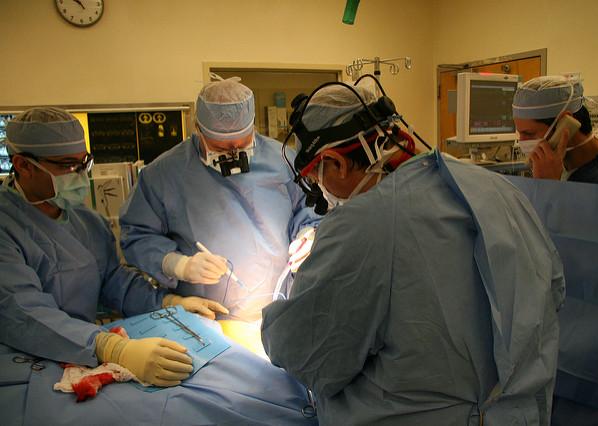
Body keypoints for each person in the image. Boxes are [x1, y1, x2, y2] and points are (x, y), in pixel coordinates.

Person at [261, 81, 566, 425]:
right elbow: (553, 288)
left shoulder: (360, 226)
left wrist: (276, 316)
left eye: (318, 178)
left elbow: (306, 352)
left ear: (336, 162)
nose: (322, 191)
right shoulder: (499, 189)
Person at [0, 107, 228, 387]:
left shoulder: (87, 221)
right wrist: (113, 349)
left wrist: (168, 303)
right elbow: (22, 311)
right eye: (67, 166)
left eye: (84, 163)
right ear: (23, 165)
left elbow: (112, 281)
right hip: (22, 361)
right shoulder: (6, 225)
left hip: (83, 351)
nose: (80, 175)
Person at [119, 75, 320, 323]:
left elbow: (309, 208)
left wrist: (308, 234)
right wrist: (178, 264)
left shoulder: (283, 160)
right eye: (222, 148)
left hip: (280, 307)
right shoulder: (163, 174)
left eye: (242, 144)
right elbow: (137, 234)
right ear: (198, 130)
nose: (233, 155)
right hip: (207, 316)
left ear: (253, 127)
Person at [513, 75, 598, 187]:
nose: (522, 141)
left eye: (529, 133)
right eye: (520, 133)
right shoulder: (562, 168)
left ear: (565, 124)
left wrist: (548, 186)